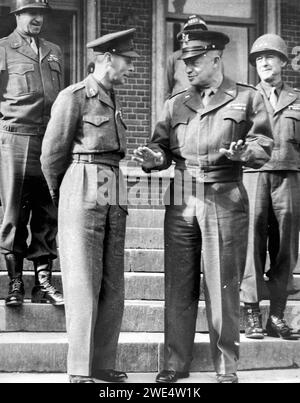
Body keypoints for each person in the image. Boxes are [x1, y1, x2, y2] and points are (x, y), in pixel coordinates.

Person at [133, 23, 273, 383]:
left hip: (223, 196)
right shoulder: (176, 103)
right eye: (185, 62)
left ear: (215, 58)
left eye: (195, 60)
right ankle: (175, 363)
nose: (188, 68)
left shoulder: (247, 98)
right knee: (178, 285)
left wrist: (245, 152)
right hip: (181, 196)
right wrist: (152, 158)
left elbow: (263, 146)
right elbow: (161, 149)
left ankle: (226, 366)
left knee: (223, 285)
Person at [41, 29, 140, 383]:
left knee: (112, 283)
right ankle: (80, 369)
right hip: (83, 180)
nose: (129, 68)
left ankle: (101, 362)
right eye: (127, 61)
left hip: (113, 182)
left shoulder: (112, 99)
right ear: (108, 58)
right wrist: (66, 198)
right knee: (83, 280)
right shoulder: (75, 96)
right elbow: (52, 155)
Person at [0, 0, 64, 307]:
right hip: (15, 139)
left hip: (48, 142)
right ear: (17, 15)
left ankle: (42, 282)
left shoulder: (54, 51)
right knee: (14, 213)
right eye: (30, 12)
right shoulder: (3, 48)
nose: (37, 18)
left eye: (41, 13)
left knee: (47, 211)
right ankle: (15, 283)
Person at [240, 34, 300, 340]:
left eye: (270, 57)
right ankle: (251, 312)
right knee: (251, 243)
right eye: (258, 59)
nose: (264, 63)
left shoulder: (298, 98)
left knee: (285, 247)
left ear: (283, 63)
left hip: (289, 177)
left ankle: (276, 314)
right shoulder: (246, 97)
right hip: (254, 175)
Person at [165, 15, 207, 99]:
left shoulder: (210, 56)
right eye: (191, 32)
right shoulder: (174, 58)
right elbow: (166, 90)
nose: (195, 34)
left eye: (198, 31)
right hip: (179, 105)